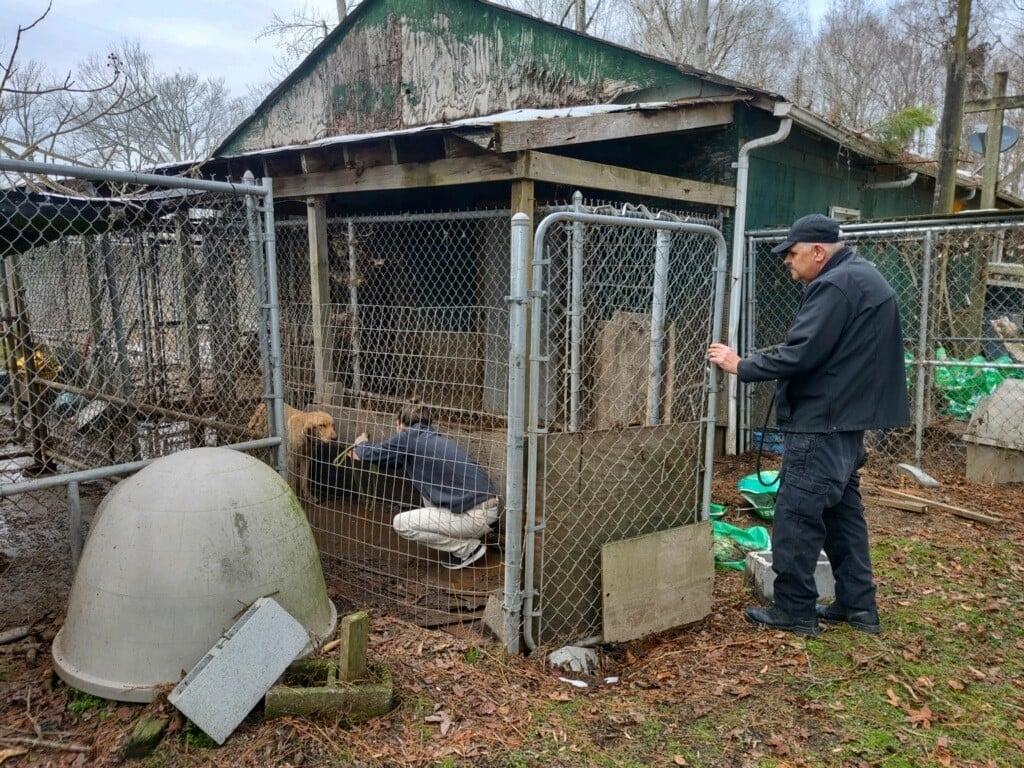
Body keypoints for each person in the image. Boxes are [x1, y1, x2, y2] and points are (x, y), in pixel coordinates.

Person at [708, 213, 909, 637]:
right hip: (848, 424)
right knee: (842, 518)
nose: (787, 260)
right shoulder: (864, 277)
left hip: (822, 423)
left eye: (793, 253)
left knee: (796, 516)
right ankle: (859, 606)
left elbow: (801, 353)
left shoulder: (835, 285)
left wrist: (741, 364)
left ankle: (795, 610)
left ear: (819, 251)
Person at [350, 399, 499, 569]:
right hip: (485, 510)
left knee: (401, 524)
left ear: (400, 423)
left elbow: (374, 453)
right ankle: (466, 538)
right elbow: (393, 460)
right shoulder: (427, 438)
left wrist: (360, 445)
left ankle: (467, 549)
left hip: (475, 516)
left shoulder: (409, 436)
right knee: (427, 494)